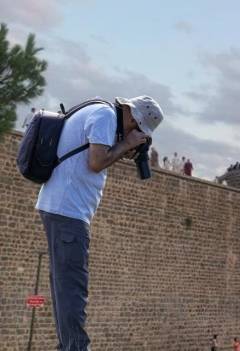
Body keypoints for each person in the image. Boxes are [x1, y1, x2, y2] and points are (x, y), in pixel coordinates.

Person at [36, 95, 164, 350]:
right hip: (69, 211)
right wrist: (127, 143)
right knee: (73, 290)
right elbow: (95, 162)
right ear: (132, 116)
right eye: (137, 128)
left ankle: (68, 346)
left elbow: (96, 157)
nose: (135, 133)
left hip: (62, 208)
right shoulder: (105, 116)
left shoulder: (102, 114)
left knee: (65, 288)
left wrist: (123, 147)